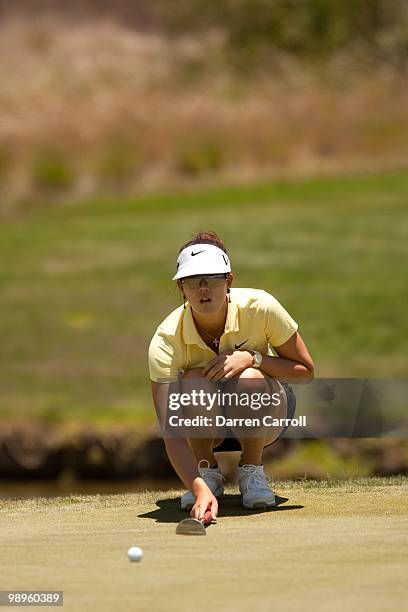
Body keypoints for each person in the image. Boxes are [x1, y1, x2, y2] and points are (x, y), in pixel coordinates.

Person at [148, 231, 314, 521]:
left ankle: (251, 472)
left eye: (212, 278)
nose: (203, 288)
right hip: (203, 424)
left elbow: (305, 371)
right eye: (192, 280)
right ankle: (207, 473)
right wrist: (197, 489)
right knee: (193, 381)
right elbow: (171, 431)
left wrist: (254, 358)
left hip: (267, 414)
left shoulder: (261, 306)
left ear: (229, 281)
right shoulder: (165, 339)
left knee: (249, 377)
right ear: (181, 287)